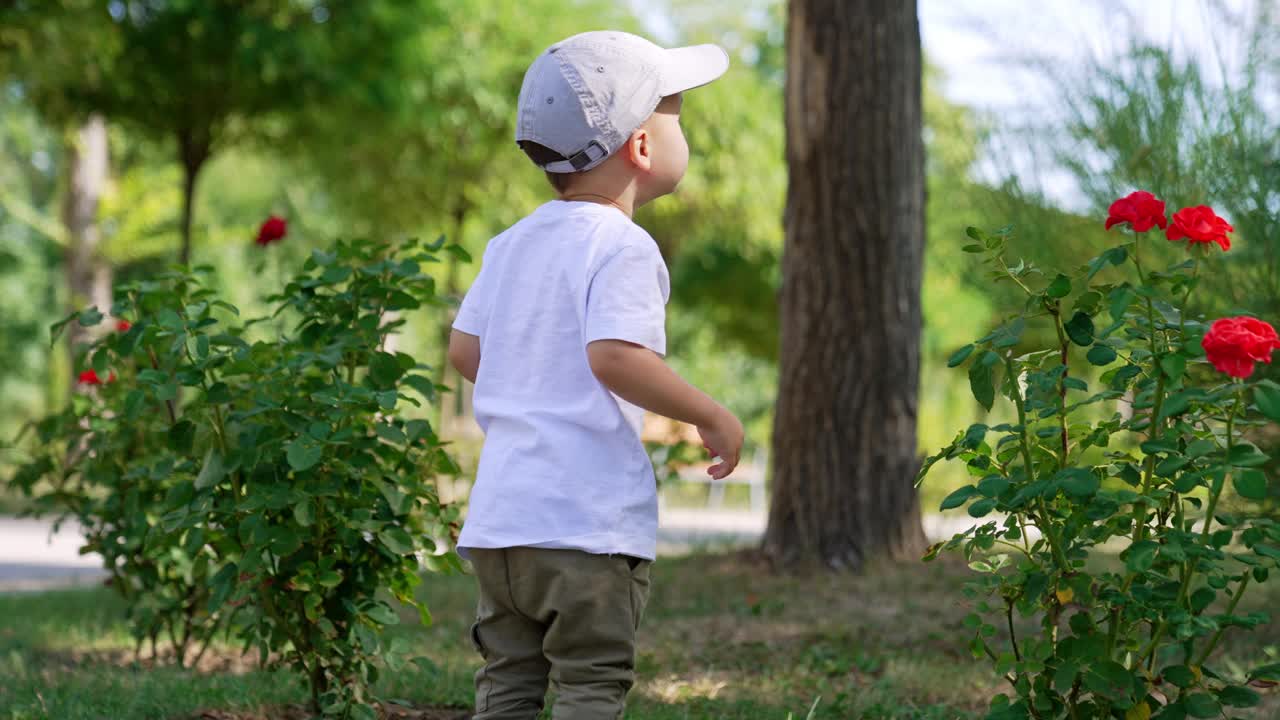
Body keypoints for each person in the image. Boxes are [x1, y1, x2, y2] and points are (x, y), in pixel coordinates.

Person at [447, 30, 744, 719]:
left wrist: (531, 366)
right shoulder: (625, 246)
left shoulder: (511, 242)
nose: (683, 131)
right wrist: (709, 412)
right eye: (676, 113)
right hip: (583, 523)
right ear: (641, 147)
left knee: (509, 681)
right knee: (590, 679)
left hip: (502, 524)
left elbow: (466, 351)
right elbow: (615, 356)